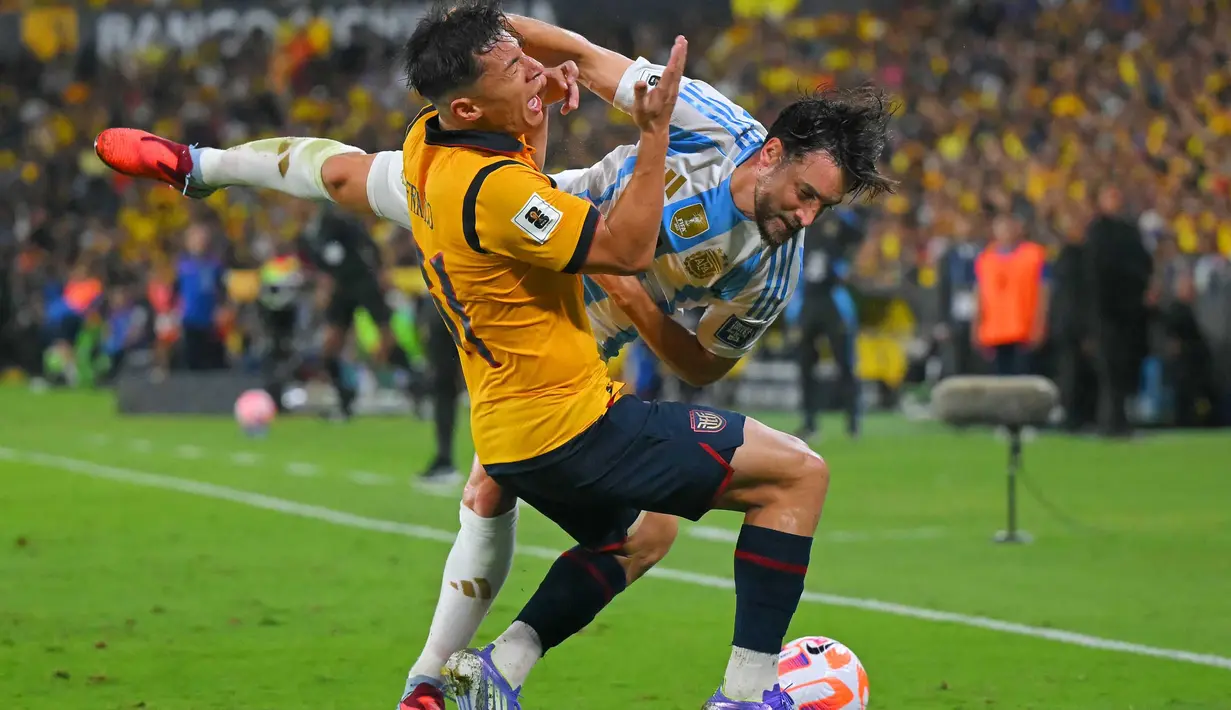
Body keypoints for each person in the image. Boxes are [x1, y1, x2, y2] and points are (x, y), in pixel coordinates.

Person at [92, 7, 892, 709]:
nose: (807, 215)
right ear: (771, 151)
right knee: (350, 178)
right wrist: (501, 35)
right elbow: (578, 56)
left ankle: (465, 677)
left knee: (589, 511)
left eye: (823, 206)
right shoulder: (713, 124)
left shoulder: (772, 269)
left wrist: (637, 300)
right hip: (543, 230)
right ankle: (199, 165)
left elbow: (704, 363)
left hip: (579, 312)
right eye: (806, 193)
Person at [1084, 185, 1152, 437]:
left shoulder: (1129, 230)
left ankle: (1119, 421)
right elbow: (1096, 276)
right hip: (1106, 312)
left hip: (1129, 312)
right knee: (1109, 369)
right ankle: (1110, 422)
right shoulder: (1098, 231)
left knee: (1124, 368)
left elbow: (1144, 264)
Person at [796, 206, 865, 441]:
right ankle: (809, 422)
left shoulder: (840, 223)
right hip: (809, 301)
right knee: (806, 364)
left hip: (832, 300)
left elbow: (859, 233)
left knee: (844, 363)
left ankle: (853, 421)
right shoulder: (804, 224)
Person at [972, 212, 1048, 376]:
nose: (1005, 232)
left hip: (1024, 332)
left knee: (1023, 381)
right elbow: (979, 295)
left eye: (1008, 227)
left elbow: (1044, 292)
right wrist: (976, 326)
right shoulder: (985, 258)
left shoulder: (1035, 255)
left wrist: (1039, 325)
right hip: (994, 333)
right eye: (1000, 228)